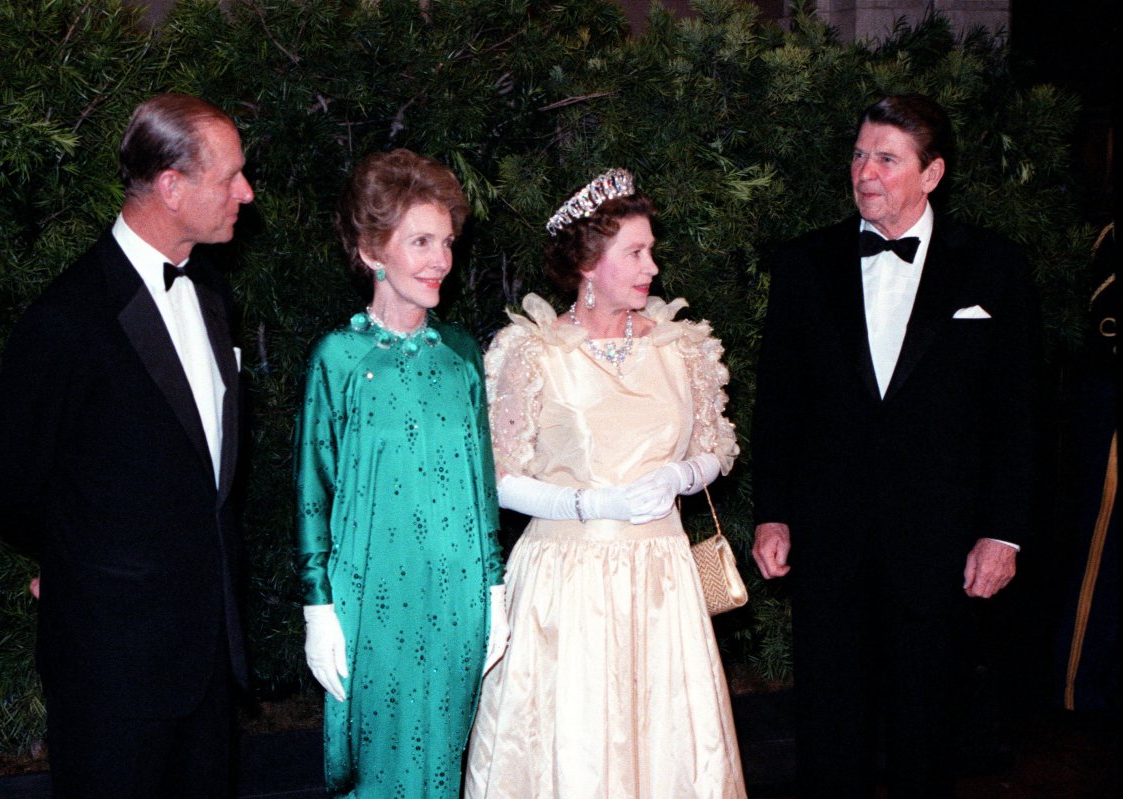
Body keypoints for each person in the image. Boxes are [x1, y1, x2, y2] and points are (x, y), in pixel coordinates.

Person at [751, 94, 1042, 798]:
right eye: (859, 154)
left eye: (887, 157)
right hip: (829, 536)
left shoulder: (995, 267)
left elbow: (1020, 413)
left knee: (927, 732)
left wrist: (1002, 532)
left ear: (932, 173)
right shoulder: (806, 262)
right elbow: (778, 402)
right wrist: (772, 512)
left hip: (941, 544)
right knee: (828, 731)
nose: (866, 171)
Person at [0, 93, 254, 798]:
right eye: (230, 177)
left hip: (208, 659)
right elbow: (9, 485)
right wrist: (78, 559)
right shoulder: (65, 318)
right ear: (171, 186)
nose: (245, 193)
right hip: (110, 668)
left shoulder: (213, 292)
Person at [463, 169, 747, 799]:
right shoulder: (533, 351)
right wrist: (587, 502)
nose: (651, 267)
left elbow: (715, 450)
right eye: (635, 253)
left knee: (669, 746)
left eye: (651, 250)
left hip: (663, 579)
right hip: (568, 580)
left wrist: (681, 472)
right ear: (590, 264)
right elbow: (497, 475)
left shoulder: (682, 346)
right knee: (573, 749)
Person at [295, 148, 507, 798]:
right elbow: (313, 489)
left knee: (442, 767)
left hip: (457, 599)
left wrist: (495, 591)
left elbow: (482, 483)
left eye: (445, 241)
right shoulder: (338, 358)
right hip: (369, 603)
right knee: (374, 770)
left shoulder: (463, 355)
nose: (441, 258)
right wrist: (317, 606)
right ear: (370, 250)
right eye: (420, 240)